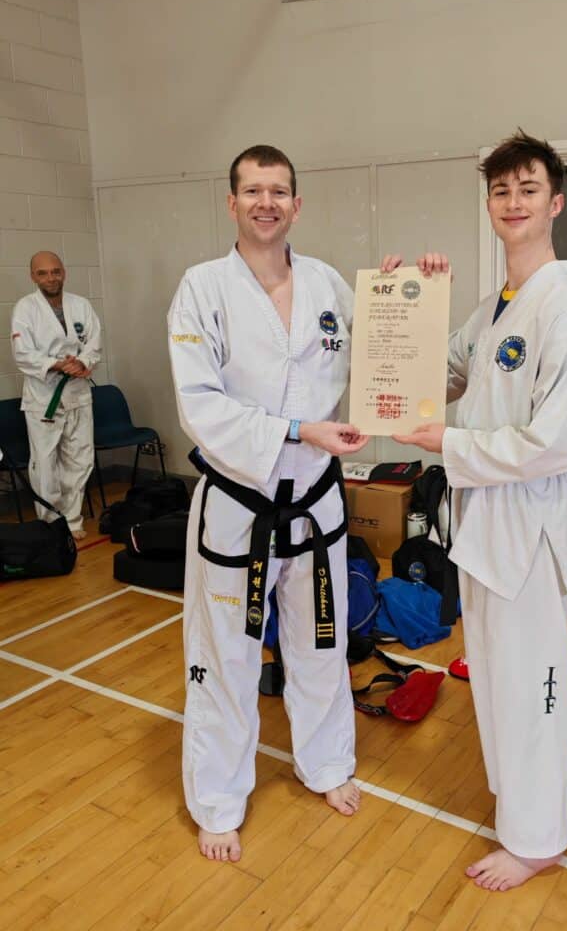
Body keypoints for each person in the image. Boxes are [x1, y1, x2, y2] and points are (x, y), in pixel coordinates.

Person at [385, 130, 567, 891]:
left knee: (537, 689)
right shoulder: (492, 311)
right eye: (500, 191)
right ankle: (518, 809)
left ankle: (540, 838)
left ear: (555, 202)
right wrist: (402, 303)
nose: (513, 203)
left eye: (527, 189)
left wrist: (449, 444)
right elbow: (434, 374)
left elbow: (557, 444)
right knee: (496, 681)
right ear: (489, 205)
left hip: (529, 532)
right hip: (481, 529)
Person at [168, 145, 370, 864]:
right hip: (238, 502)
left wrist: (414, 294)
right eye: (252, 190)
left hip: (314, 500)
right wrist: (293, 429)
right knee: (226, 657)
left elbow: (379, 364)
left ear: (296, 204)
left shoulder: (329, 286)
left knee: (321, 643)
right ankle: (218, 800)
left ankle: (326, 765)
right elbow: (199, 405)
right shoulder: (201, 288)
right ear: (232, 203)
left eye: (278, 191)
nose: (266, 202)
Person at [11, 251, 101, 539]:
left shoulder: (81, 305)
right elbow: (22, 353)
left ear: (64, 272)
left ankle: (73, 520)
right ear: (33, 276)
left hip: (77, 391)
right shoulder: (25, 309)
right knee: (46, 463)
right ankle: (51, 522)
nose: (51, 278)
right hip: (43, 396)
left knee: (80, 457)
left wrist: (83, 362)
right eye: (43, 273)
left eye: (55, 271)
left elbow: (94, 341)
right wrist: (55, 363)